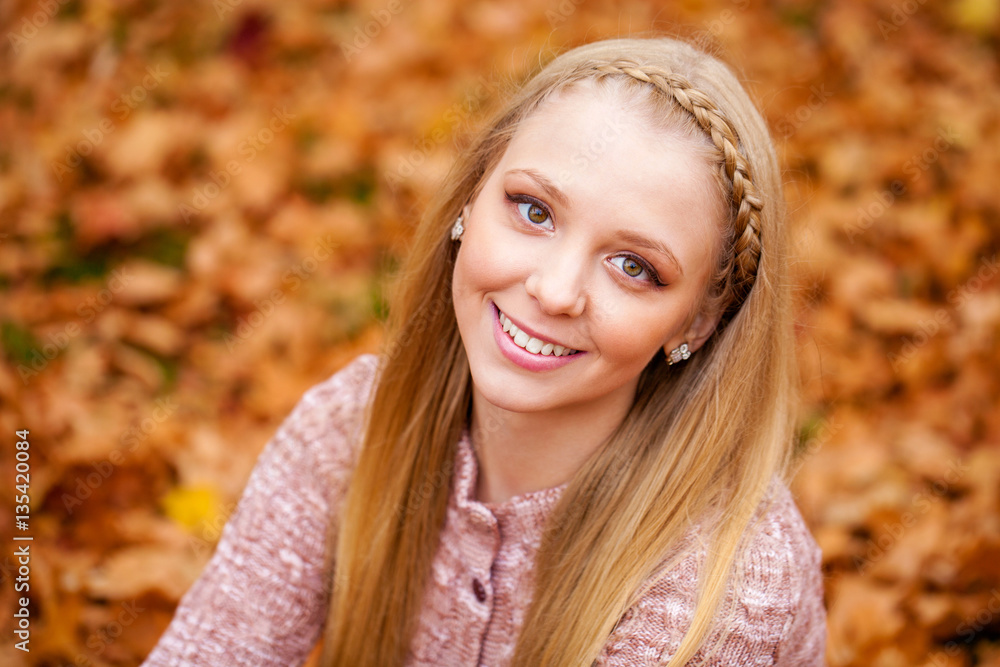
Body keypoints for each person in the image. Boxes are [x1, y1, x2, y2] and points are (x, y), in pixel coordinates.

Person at [143, 35, 826, 666]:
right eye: (534, 210)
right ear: (471, 197)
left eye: (633, 266)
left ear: (699, 323)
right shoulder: (350, 429)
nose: (555, 290)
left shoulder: (726, 581)